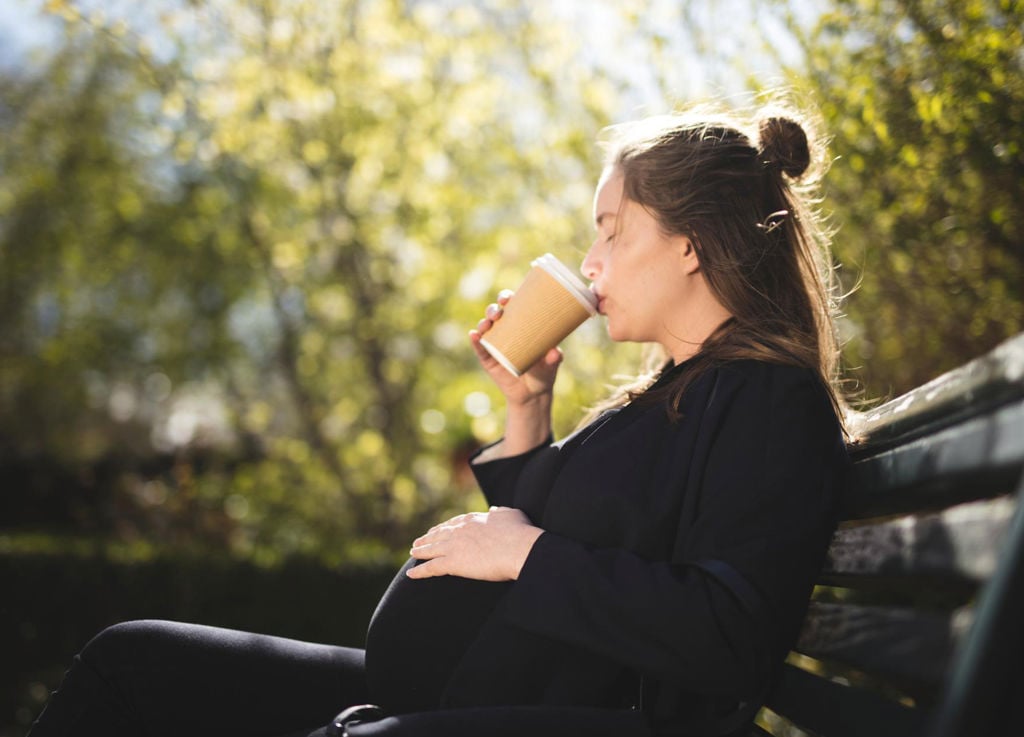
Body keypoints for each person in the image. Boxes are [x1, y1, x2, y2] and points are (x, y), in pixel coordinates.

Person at [28, 102, 849, 737]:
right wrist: (526, 412)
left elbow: (727, 633)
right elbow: (583, 531)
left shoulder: (767, 400)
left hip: (541, 715)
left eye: (612, 231)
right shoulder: (675, 388)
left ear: (691, 244)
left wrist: (523, 554)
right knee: (130, 660)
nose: (591, 260)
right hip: (467, 689)